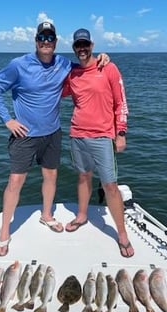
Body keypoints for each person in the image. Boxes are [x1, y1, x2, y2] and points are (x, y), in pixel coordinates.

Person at [0, 22, 109, 256]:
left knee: (50, 176)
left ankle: (46, 216)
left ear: (55, 41)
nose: (46, 41)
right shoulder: (18, 65)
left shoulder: (63, 64)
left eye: (50, 37)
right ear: (35, 40)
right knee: (15, 182)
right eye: (41, 37)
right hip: (24, 135)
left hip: (53, 133)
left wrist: (102, 57)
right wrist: (7, 120)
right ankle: (4, 232)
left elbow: (85, 67)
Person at [62, 28, 134, 258]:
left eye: (85, 44)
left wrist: (120, 132)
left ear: (91, 45)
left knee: (110, 185)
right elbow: (53, 88)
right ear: (74, 48)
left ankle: (121, 234)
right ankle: (82, 215)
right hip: (77, 134)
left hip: (103, 136)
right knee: (83, 176)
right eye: (77, 45)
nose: (81, 49)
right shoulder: (71, 74)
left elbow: (120, 102)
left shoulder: (108, 67)